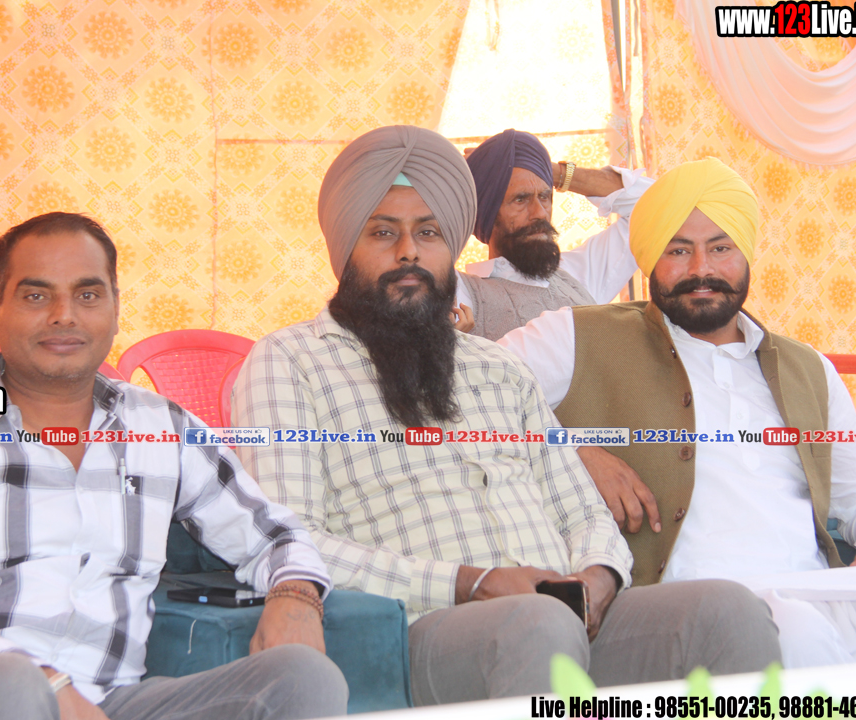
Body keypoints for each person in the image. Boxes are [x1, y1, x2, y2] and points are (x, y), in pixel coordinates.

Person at [232, 126, 781, 704]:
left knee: (727, 612)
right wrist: (474, 585)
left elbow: (581, 509)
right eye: (383, 233)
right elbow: (287, 539)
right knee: (537, 627)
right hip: (422, 625)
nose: (409, 252)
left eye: (429, 232)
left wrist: (598, 577)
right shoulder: (290, 360)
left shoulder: (499, 366)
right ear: (345, 248)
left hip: (565, 616)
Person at [0, 213, 348, 720]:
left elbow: (273, 534)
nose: (64, 315)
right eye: (36, 296)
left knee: (303, 678)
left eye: (87, 295)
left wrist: (296, 594)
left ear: (114, 308)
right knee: (12, 688)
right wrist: (43, 681)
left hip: (109, 704)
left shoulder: (162, 426)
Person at [499, 157, 856, 668]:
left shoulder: (808, 368)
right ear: (650, 258)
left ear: (746, 253)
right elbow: (466, 396)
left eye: (720, 248)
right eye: (678, 250)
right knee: (797, 638)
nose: (700, 270)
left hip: (818, 592)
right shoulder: (575, 335)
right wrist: (571, 452)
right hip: (688, 614)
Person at [457, 128, 653, 340]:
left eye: (544, 196)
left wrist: (553, 172)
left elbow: (656, 203)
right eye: (520, 200)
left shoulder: (577, 273)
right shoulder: (463, 293)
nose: (540, 213)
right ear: (486, 211)